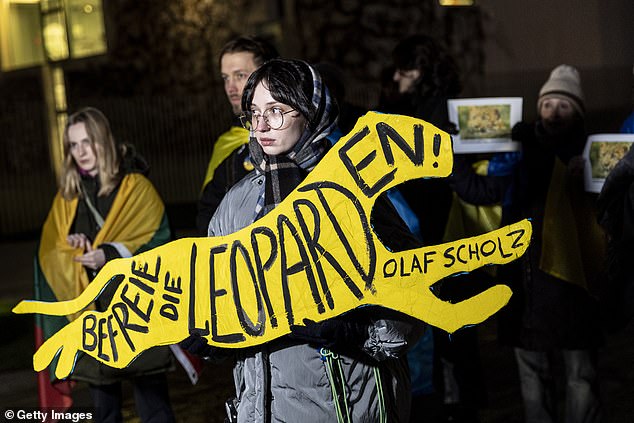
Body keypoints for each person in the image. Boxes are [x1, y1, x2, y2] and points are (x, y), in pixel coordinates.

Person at [183, 58, 424, 422]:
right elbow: (214, 290)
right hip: (262, 409)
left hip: (344, 405)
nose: (261, 125)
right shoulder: (236, 202)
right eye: (254, 113)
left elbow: (414, 296)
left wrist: (352, 331)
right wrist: (206, 330)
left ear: (310, 113)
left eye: (276, 111)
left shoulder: (354, 192)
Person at [449, 65, 604, 423]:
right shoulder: (517, 150)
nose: (553, 112)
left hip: (575, 288)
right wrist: (452, 155)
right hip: (525, 286)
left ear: (578, 112)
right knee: (533, 379)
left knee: (581, 377)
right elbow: (481, 191)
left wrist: (591, 178)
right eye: (548, 104)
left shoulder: (592, 154)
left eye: (563, 106)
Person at [35, 107, 175, 422]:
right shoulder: (69, 196)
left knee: (154, 408)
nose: (81, 152)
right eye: (73, 145)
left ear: (104, 141)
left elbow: (161, 244)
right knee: (103, 411)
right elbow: (50, 252)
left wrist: (109, 253)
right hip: (93, 319)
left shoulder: (136, 188)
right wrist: (73, 249)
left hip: (137, 313)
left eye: (88, 142)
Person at [196, 35, 279, 235]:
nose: (231, 87)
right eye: (226, 78)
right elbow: (208, 217)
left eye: (240, 75)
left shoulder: (292, 134)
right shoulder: (227, 144)